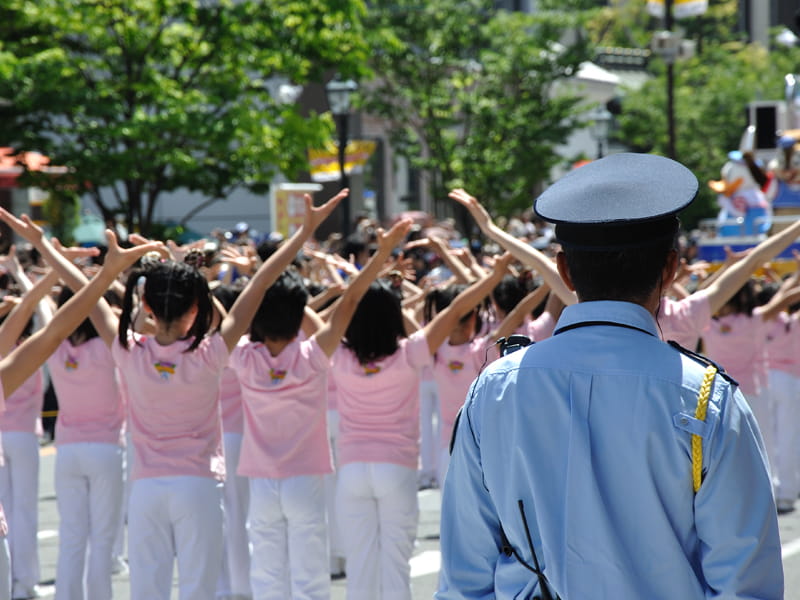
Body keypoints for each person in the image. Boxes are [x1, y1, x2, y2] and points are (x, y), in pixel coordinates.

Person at [437, 153, 783, 599]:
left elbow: (465, 578)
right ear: (670, 269)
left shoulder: (495, 388)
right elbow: (745, 584)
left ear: (564, 270)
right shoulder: (706, 397)